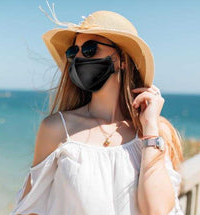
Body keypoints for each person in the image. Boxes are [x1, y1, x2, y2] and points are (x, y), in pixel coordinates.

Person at [10, 4, 184, 215]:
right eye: (74, 52)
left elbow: (156, 211)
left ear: (122, 60)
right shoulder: (57, 129)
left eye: (91, 49)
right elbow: (30, 209)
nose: (80, 58)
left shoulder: (155, 133)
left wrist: (150, 130)